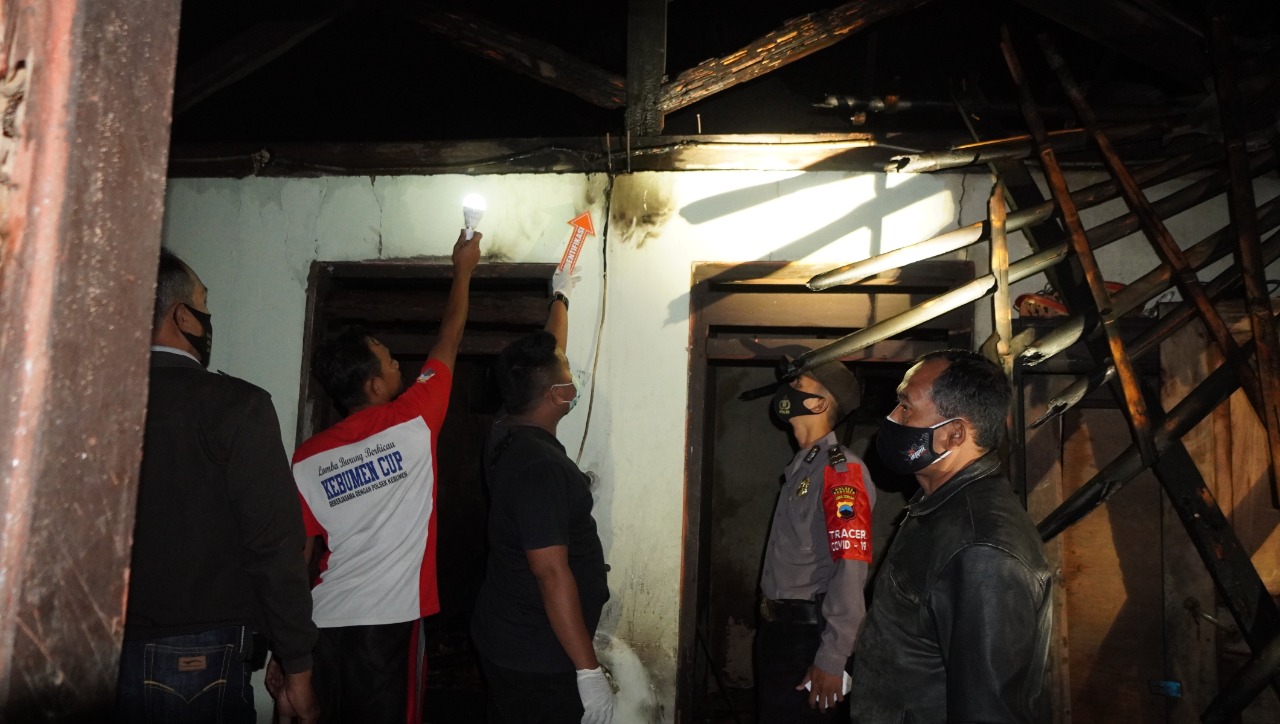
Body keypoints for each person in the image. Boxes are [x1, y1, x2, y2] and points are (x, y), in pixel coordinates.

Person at [118, 249, 319, 723]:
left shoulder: (92, 404)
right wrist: (297, 663)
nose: (208, 317)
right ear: (183, 316)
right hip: (195, 657)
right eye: (203, 304)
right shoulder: (236, 406)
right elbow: (275, 548)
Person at [290, 231, 480, 723]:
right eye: (388, 357)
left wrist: (288, 654)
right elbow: (449, 338)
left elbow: (297, 558)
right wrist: (463, 270)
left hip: (320, 623)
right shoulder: (414, 419)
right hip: (388, 624)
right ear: (374, 384)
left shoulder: (307, 457)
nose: (399, 363)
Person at [849, 350, 1053, 723]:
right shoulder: (940, 508)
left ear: (953, 434)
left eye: (905, 407)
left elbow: (987, 712)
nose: (891, 418)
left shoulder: (981, 548)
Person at [470, 269, 614, 724]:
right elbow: (551, 574)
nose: (575, 380)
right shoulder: (540, 469)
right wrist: (588, 671)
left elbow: (548, 356)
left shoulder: (505, 426)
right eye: (569, 376)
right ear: (555, 395)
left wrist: (561, 298)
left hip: (510, 636)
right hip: (537, 658)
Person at [756, 354, 874, 722]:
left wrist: (832, 658)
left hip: (809, 638)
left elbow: (850, 566)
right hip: (779, 633)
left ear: (819, 404)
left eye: (798, 384)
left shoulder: (841, 471)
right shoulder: (804, 467)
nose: (787, 390)